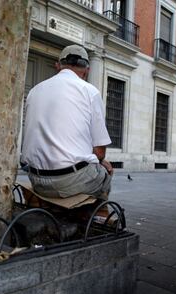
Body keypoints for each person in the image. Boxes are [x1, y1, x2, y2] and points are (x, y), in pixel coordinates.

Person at [21, 45, 113, 200]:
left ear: (58, 66)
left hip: (36, 180)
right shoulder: (90, 92)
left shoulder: (34, 91)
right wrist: (101, 161)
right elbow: (100, 152)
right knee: (105, 172)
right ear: (87, 70)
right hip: (70, 181)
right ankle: (95, 219)